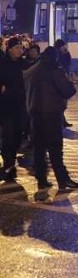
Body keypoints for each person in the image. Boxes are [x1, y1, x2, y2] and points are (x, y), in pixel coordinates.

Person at [22, 46, 78, 191]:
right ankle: (63, 180)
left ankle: (41, 180)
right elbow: (69, 91)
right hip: (52, 115)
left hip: (35, 116)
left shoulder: (30, 71)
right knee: (55, 150)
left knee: (39, 150)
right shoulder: (55, 71)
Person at [0, 37, 29, 181]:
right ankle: (8, 163)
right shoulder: (3, 63)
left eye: (21, 48)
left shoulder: (24, 64)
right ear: (10, 49)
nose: (20, 50)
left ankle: (10, 160)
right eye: (17, 48)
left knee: (18, 135)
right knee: (8, 136)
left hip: (20, 105)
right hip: (5, 106)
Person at [54, 38, 74, 128]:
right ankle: (61, 120)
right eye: (63, 46)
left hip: (65, 78)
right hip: (62, 80)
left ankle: (62, 120)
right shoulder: (57, 56)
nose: (64, 47)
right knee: (62, 103)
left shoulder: (65, 54)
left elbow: (68, 64)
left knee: (63, 103)